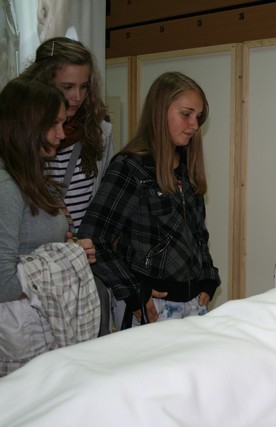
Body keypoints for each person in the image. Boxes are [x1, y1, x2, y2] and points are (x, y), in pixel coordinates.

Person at [79, 71, 221, 328]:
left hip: (192, 304)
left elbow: (198, 234)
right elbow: (93, 240)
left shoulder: (188, 168)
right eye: (186, 114)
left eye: (198, 117)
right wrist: (134, 291)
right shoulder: (130, 167)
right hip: (150, 308)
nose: (194, 125)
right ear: (160, 111)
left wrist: (208, 277)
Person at [0, 76, 99, 376]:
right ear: (26, 126)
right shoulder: (6, 187)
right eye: (53, 124)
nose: (61, 134)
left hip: (37, 328)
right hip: (19, 336)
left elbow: (35, 251)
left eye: (63, 123)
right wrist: (68, 261)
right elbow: (3, 283)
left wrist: (72, 250)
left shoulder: (32, 182)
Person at [21, 37, 115, 335]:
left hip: (81, 266)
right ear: (43, 83)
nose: (77, 97)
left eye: (84, 87)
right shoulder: (19, 135)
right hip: (32, 274)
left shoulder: (100, 132)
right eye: (67, 87)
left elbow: (103, 205)